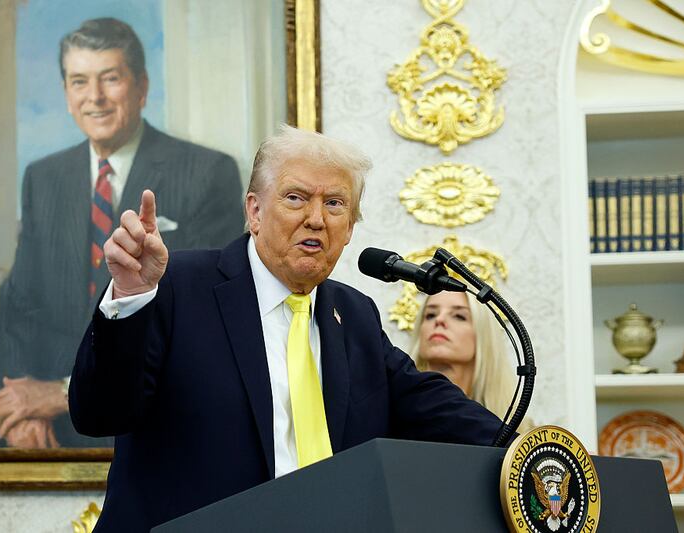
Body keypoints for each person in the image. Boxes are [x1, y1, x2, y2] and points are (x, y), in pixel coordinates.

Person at [69, 125, 506, 532]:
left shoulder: (355, 316)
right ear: (254, 210)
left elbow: (435, 409)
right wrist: (130, 296)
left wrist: (533, 456)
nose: (316, 218)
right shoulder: (176, 287)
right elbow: (99, 413)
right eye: (296, 198)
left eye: (334, 204)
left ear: (350, 228)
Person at [0, 18, 243, 449]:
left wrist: (59, 396)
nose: (94, 97)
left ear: (141, 86)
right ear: (66, 94)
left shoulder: (206, 173)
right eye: (79, 81)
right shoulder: (44, 177)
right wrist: (20, 401)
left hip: (140, 397)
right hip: (36, 393)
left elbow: (198, 316)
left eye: (110, 79)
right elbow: (18, 305)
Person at [412, 291, 534, 433]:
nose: (439, 320)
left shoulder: (521, 434)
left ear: (482, 335)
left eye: (459, 316)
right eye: (430, 315)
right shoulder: (392, 416)